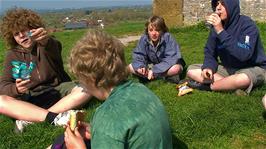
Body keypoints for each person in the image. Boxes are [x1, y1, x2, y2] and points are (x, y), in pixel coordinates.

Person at [51, 30, 172, 149]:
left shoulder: (106, 116)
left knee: (62, 144)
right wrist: (96, 131)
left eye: (80, 79)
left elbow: (113, 123)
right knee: (62, 140)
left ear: (91, 80)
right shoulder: (141, 89)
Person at [0, 8, 91, 133]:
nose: (21, 36)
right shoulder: (13, 55)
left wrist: (45, 41)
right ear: (12, 38)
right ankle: (55, 116)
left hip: (57, 90)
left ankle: (32, 119)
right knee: (1, 101)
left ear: (33, 28)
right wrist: (16, 89)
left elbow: (55, 48)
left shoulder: (47, 44)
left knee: (88, 87)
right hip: (30, 97)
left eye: (24, 30)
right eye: (16, 34)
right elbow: (4, 85)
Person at [186, 0, 266, 94]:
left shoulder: (247, 25)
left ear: (231, 6)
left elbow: (244, 54)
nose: (218, 7)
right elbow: (210, 52)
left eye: (223, 4)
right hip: (229, 68)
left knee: (242, 79)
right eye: (217, 4)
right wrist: (208, 67)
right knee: (191, 70)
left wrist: (221, 31)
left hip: (252, 68)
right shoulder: (216, 26)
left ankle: (210, 86)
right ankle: (230, 86)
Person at [128, 15, 185, 84]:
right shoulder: (144, 38)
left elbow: (171, 58)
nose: (154, 33)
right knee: (130, 67)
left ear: (162, 30)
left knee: (176, 69)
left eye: (157, 30)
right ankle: (159, 76)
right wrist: (141, 67)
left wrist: (154, 70)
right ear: (147, 30)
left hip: (169, 65)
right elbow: (139, 55)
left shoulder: (168, 38)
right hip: (152, 65)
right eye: (151, 30)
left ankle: (151, 76)